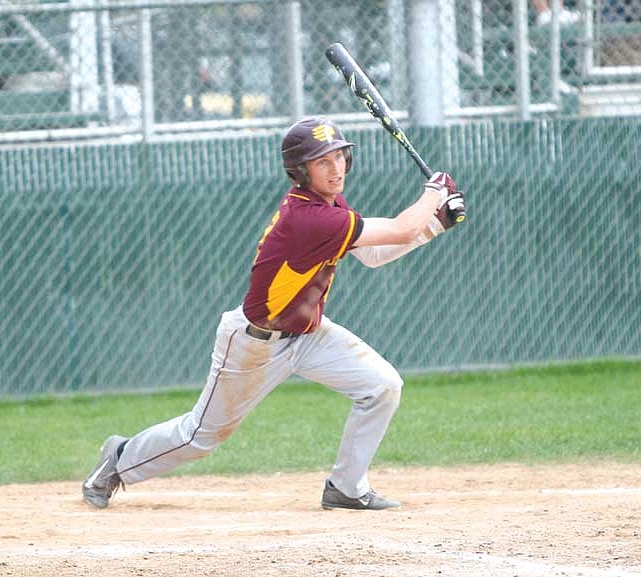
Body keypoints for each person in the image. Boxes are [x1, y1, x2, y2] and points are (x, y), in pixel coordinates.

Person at [82, 116, 467, 511]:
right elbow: (402, 229)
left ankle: (347, 488)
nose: (335, 169)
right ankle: (118, 461)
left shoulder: (331, 207)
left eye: (339, 157)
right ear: (300, 172)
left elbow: (372, 255)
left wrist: (434, 225)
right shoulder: (310, 219)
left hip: (309, 334)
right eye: (322, 162)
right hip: (254, 345)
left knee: (382, 385)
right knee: (202, 435)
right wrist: (433, 193)